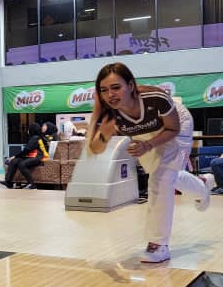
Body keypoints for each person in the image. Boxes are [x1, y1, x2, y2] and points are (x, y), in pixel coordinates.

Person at [88, 62, 210, 263]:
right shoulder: (110, 113)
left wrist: (148, 145)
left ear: (130, 85)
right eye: (104, 90)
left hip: (175, 125)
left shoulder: (155, 97)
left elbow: (173, 128)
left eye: (116, 87)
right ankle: (201, 185)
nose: (110, 94)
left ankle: (158, 244)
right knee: (163, 176)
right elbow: (94, 148)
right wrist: (100, 125)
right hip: (145, 134)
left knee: (160, 179)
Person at [0, 123, 45, 189]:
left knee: (22, 164)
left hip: (37, 157)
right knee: (14, 161)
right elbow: (27, 151)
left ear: (32, 130)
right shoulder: (33, 138)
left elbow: (27, 150)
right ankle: (8, 182)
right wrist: (16, 157)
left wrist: (15, 156)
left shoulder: (35, 138)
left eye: (29, 129)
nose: (28, 130)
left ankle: (32, 184)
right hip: (31, 156)